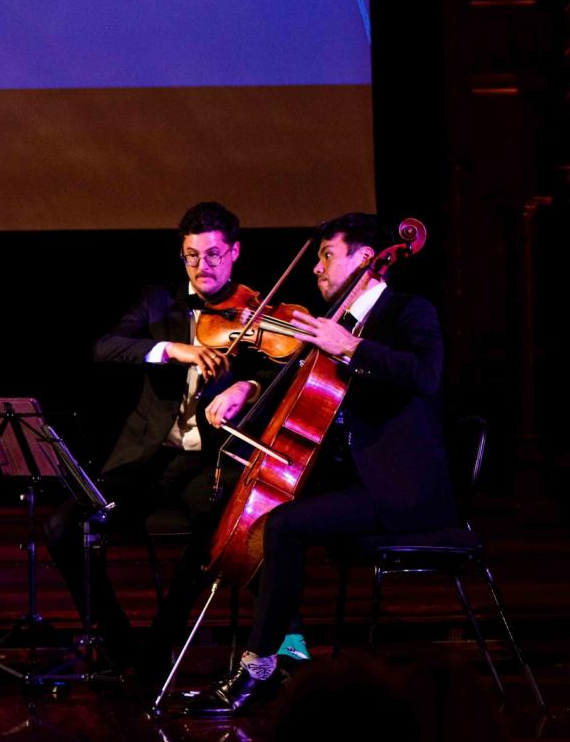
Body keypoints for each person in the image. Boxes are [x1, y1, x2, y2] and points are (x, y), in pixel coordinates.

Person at [187, 213, 457, 716]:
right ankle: (289, 651)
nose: (316, 269)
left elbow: (426, 374)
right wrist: (248, 387)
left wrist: (351, 347)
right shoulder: (336, 322)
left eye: (327, 255)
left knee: (282, 528)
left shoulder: (407, 312)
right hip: (349, 477)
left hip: (397, 487)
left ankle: (258, 668)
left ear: (364, 260)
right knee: (251, 514)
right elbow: (300, 393)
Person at [45, 201, 271, 671]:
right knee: (62, 527)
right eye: (191, 256)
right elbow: (106, 346)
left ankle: (160, 648)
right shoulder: (157, 300)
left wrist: (248, 387)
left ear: (234, 253)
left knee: (211, 528)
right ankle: (118, 642)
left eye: (212, 255)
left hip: (208, 459)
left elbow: (283, 370)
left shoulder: (258, 311)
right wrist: (175, 350)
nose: (202, 267)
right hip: (146, 457)